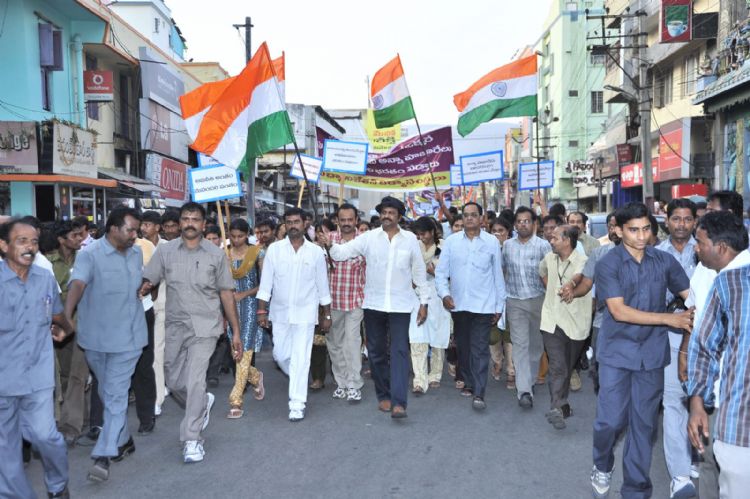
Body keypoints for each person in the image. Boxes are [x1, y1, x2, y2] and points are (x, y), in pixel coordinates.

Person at [590, 202, 693, 499]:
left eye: (646, 229)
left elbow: (691, 296)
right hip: (616, 353)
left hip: (652, 354)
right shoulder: (608, 264)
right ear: (618, 231)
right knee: (610, 421)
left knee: (643, 425)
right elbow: (618, 311)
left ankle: (635, 489)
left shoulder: (664, 261)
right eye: (633, 230)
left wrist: (699, 310)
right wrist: (669, 319)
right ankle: (602, 463)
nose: (641, 236)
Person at [140, 202, 241, 463]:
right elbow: (148, 279)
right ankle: (201, 402)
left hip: (206, 327)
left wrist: (235, 332)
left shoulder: (216, 255)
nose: (189, 223)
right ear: (179, 222)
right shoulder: (165, 251)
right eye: (185, 218)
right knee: (173, 381)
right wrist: (141, 287)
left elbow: (226, 294)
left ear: (204, 224)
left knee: (195, 380)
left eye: (195, 219)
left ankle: (192, 439)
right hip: (175, 325)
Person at [323, 196, 429, 419]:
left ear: (399, 217)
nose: (386, 216)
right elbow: (342, 253)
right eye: (384, 212)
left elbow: (419, 272)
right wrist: (330, 244)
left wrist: (424, 302)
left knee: (399, 352)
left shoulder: (410, 240)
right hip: (373, 305)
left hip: (400, 306)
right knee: (376, 353)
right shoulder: (369, 238)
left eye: (391, 213)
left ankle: (399, 402)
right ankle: (384, 395)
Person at [63, 208, 147, 481]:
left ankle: (103, 454)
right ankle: (123, 439)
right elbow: (77, 284)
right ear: (113, 228)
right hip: (96, 340)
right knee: (108, 393)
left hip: (130, 338)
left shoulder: (136, 253)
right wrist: (66, 317)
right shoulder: (89, 254)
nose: (135, 235)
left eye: (136, 230)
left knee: (116, 394)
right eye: (130, 230)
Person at [0, 219, 74, 499]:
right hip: (3, 379)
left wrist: (66, 327)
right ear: (4, 245)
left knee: (46, 436)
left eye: (33, 241)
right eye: (22, 241)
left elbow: (56, 313)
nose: (30, 247)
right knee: (6, 449)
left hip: (38, 376)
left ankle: (58, 484)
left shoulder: (44, 278)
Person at [685, 211, 750, 499]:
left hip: (737, 424)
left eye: (700, 242)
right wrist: (698, 403)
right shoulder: (725, 283)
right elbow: (703, 346)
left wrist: (697, 404)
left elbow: (703, 347)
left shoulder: (728, 282)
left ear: (721, 247)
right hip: (737, 421)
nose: (696, 249)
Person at [257, 208, 331, 422]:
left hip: (306, 313)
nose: (292, 226)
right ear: (285, 224)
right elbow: (266, 284)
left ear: (304, 223)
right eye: (288, 222)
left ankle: (297, 403)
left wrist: (326, 315)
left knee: (301, 358)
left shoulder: (316, 252)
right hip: (280, 313)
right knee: (280, 355)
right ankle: (298, 375)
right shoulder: (275, 250)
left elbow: (322, 286)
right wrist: (261, 310)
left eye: (296, 221)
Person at [436, 203, 506, 410]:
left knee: (479, 348)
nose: (469, 218)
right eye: (466, 215)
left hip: (484, 305)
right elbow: (441, 273)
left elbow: (498, 275)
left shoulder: (492, 242)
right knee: (464, 348)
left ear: (481, 218)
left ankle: (479, 391)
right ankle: (468, 380)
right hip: (458, 305)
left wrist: (499, 306)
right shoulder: (451, 242)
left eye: (473, 215)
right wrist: (444, 294)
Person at [655, 198, 699, 498]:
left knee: (702, 399)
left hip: (707, 338)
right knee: (673, 402)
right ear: (666, 221)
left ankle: (696, 457)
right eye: (676, 219)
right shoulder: (656, 255)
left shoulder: (707, 250)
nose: (681, 224)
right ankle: (680, 476)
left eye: (687, 219)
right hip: (670, 335)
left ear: (694, 222)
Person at [538, 225, 591, 430]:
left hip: (576, 323)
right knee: (557, 366)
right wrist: (550, 288)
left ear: (567, 241)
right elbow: (541, 272)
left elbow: (578, 277)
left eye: (555, 238)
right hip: (551, 320)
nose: (550, 241)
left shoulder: (583, 261)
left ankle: (563, 405)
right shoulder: (549, 258)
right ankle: (556, 409)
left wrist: (570, 286)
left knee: (567, 368)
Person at [502, 206, 551, 409]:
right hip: (515, 302)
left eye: (527, 221)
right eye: (519, 221)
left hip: (538, 301)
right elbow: (503, 271)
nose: (523, 224)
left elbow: (550, 274)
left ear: (534, 224)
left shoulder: (543, 246)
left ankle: (528, 380)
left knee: (536, 346)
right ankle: (524, 391)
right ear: (515, 224)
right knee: (520, 344)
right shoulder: (507, 246)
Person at [47, 219, 88, 445]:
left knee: (78, 375)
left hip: (83, 324)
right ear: (61, 240)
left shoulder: (86, 258)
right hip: (60, 326)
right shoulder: (47, 262)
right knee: (64, 374)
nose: (80, 239)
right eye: (74, 235)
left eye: (80, 235)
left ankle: (71, 425)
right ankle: (77, 416)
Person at [326, 204, 367, 402]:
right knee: (334, 344)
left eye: (350, 219)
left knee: (352, 343)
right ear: (337, 221)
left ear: (356, 220)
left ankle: (353, 384)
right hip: (332, 300)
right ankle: (341, 382)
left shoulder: (364, 240)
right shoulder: (328, 239)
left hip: (355, 300)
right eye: (343, 220)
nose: (347, 223)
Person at [225, 218, 265, 419]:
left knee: (244, 349)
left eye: (240, 236)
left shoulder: (257, 253)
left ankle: (236, 400)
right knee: (235, 350)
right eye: (233, 236)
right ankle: (255, 377)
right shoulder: (224, 254)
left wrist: (244, 294)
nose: (236, 240)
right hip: (230, 307)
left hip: (250, 305)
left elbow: (266, 283)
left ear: (247, 235)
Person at [410, 217, 451, 395]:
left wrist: (433, 272)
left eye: (424, 233)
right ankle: (419, 380)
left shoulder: (445, 247)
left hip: (438, 297)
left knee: (438, 337)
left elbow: (451, 274)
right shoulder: (414, 246)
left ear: (432, 231)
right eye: (418, 234)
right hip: (417, 296)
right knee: (417, 337)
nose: (421, 237)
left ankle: (435, 375)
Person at [141, 210, 169, 418]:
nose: (143, 228)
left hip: (164, 306)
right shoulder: (136, 247)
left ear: (157, 227)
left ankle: (157, 398)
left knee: (158, 353)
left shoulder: (168, 248)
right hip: (143, 308)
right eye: (142, 224)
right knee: (148, 354)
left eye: (147, 224)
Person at [309, 219, 336, 391]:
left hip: (338, 300)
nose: (321, 235)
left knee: (336, 341)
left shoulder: (338, 248)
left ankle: (339, 374)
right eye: (318, 231)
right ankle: (318, 377)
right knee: (317, 342)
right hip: (316, 301)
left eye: (325, 231)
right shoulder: (310, 250)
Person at [489, 217, 515, 388]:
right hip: (490, 299)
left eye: (501, 231)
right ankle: (497, 361)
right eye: (494, 231)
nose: (497, 234)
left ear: (508, 233)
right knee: (492, 336)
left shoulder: (513, 248)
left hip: (511, 298)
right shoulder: (486, 248)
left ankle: (511, 370)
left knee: (509, 336)